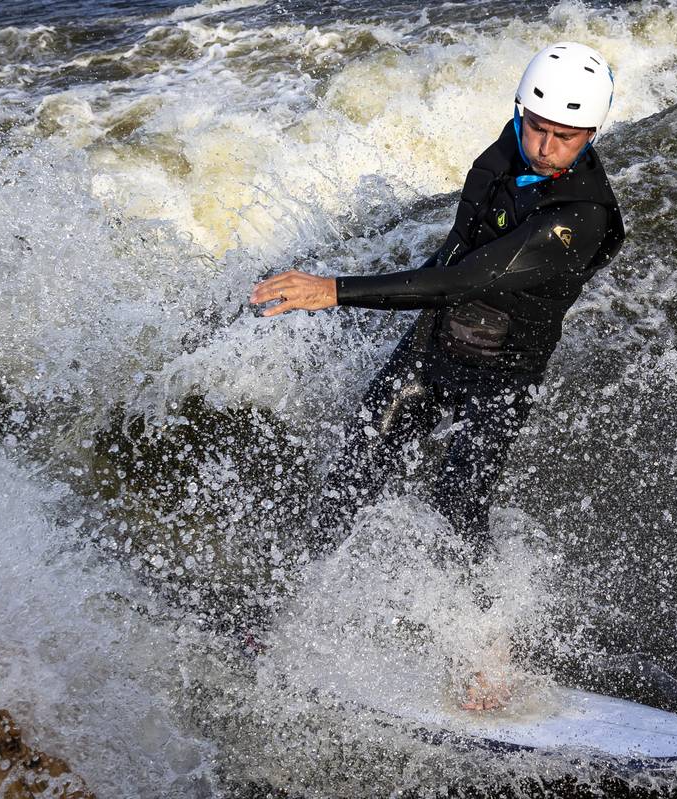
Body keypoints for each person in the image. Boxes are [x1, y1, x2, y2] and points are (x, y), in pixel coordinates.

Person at [251, 41, 626, 577]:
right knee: (353, 474)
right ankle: (291, 592)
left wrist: (332, 290)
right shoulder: (508, 150)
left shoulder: (582, 216)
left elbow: (464, 279)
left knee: (455, 508)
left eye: (563, 137)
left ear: (590, 134)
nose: (543, 148)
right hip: (432, 347)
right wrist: (362, 299)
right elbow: (452, 252)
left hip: (502, 375)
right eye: (535, 127)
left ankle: (482, 623)